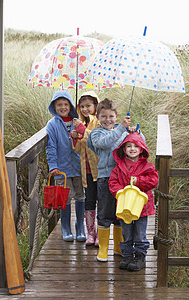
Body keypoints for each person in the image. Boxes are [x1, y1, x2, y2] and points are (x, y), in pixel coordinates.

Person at [87, 98, 139, 261]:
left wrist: (133, 132)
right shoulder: (97, 132)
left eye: (111, 116)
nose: (107, 120)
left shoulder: (123, 131)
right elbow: (103, 143)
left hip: (124, 178)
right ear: (97, 117)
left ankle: (118, 247)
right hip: (106, 178)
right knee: (104, 212)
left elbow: (137, 143)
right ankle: (103, 248)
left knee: (120, 213)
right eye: (103, 116)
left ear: (116, 116)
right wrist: (120, 130)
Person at [109, 133, 159, 271]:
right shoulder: (119, 167)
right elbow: (113, 182)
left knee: (140, 233)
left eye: (136, 146)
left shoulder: (147, 166)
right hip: (124, 207)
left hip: (141, 208)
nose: (132, 149)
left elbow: (153, 181)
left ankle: (140, 256)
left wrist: (139, 181)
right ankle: (127, 255)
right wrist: (121, 192)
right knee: (126, 233)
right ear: (124, 150)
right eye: (129, 146)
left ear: (141, 148)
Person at [46, 90, 86, 242]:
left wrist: (79, 129)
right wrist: (53, 166)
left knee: (81, 195)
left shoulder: (78, 122)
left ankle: (80, 226)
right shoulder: (52, 124)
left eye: (65, 104)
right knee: (65, 197)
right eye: (59, 105)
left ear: (70, 106)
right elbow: (51, 147)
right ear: (54, 107)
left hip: (79, 166)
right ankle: (65, 227)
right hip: (62, 169)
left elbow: (88, 138)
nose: (62, 107)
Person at [71, 91, 100, 246]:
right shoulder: (82, 122)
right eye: (82, 106)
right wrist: (75, 138)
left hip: (99, 170)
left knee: (100, 201)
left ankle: (101, 235)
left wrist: (81, 129)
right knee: (89, 201)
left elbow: (95, 139)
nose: (84, 109)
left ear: (96, 106)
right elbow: (79, 149)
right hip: (86, 170)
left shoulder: (98, 121)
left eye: (88, 106)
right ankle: (91, 233)